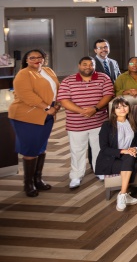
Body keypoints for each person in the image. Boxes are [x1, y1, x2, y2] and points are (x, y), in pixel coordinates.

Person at [8, 49, 60, 197]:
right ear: (26, 60)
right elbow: (26, 95)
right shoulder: (24, 74)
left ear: (44, 59)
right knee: (30, 149)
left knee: (41, 147)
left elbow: (57, 89)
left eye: (40, 57)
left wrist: (58, 105)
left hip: (47, 115)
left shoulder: (48, 71)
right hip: (26, 116)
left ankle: (38, 180)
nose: (36, 60)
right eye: (32, 58)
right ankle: (28, 184)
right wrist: (47, 107)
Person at [57, 56, 115, 188]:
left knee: (99, 148)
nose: (88, 67)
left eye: (91, 64)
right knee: (77, 151)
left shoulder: (103, 78)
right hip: (76, 124)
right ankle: (76, 176)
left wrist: (95, 109)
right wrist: (82, 111)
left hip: (99, 122)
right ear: (79, 65)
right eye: (85, 64)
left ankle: (100, 171)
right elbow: (64, 100)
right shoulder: (68, 81)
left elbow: (108, 95)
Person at [96, 97, 137, 211]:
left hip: (127, 157)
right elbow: (104, 148)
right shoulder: (107, 125)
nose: (122, 109)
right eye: (118, 107)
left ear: (129, 108)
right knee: (131, 161)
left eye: (124, 106)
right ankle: (124, 195)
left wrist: (134, 149)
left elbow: (135, 143)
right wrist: (124, 151)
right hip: (110, 159)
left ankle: (123, 194)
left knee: (130, 158)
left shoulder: (132, 124)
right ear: (113, 111)